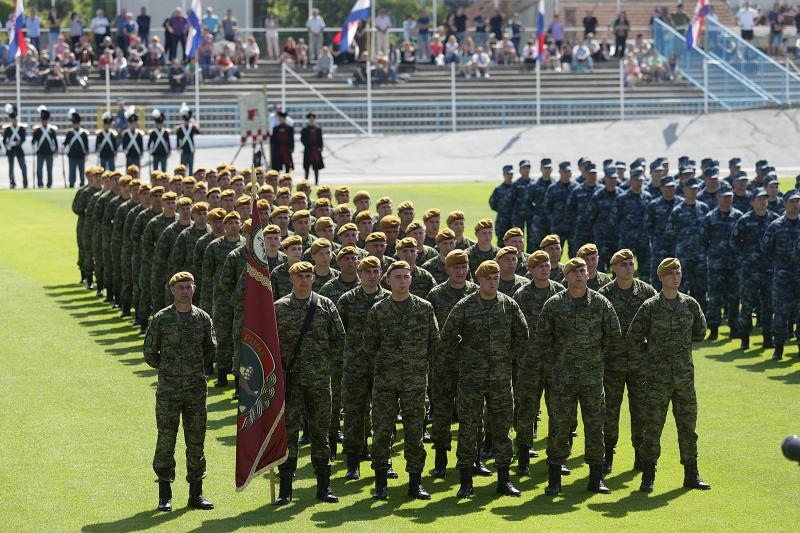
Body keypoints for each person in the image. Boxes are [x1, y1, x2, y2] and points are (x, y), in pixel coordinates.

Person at [441, 260, 527, 499]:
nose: (493, 281)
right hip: (471, 379)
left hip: (500, 378)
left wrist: (509, 358)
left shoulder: (508, 305)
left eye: (496, 277)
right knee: (469, 428)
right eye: (488, 278)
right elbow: (447, 337)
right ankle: (466, 481)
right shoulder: (465, 305)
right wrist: (463, 357)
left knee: (501, 428)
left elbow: (522, 336)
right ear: (479, 279)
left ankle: (504, 479)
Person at [536, 257, 621, 496]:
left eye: (583, 271)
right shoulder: (554, 304)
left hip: (592, 378)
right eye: (574, 272)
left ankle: (596, 477)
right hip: (562, 378)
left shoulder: (601, 304)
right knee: (559, 427)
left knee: (595, 426)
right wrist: (555, 365)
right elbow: (542, 340)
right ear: (566, 276)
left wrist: (596, 359)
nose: (580, 275)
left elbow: (613, 337)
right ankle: (554, 479)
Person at [626, 257, 711, 493]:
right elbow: (634, 337)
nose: (676, 276)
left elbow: (701, 332)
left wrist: (679, 347)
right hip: (657, 379)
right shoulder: (651, 307)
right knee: (652, 427)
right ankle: (648, 474)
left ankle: (691, 474)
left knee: (688, 428)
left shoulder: (690, 304)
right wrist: (651, 353)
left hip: (684, 377)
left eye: (678, 272)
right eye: (671, 273)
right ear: (661, 277)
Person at [362, 260, 439, 500]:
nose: (402, 280)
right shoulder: (378, 310)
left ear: (411, 279)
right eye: (397, 277)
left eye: (406, 276)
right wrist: (388, 362)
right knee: (383, 431)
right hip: (385, 381)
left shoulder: (424, 307)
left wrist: (416, 363)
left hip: (415, 382)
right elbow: (369, 345)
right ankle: (381, 483)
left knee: (415, 432)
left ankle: (415, 482)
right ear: (388, 280)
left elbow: (434, 342)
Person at [144, 271, 216, 512]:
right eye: (180, 287)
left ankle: (196, 494)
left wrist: (193, 369)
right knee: (166, 440)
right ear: (172, 290)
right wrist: (169, 369)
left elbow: (210, 349)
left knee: (196, 442)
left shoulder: (203, 318)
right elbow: (149, 353)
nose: (185, 291)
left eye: (188, 286)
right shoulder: (162, 319)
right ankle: (165, 494)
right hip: (169, 392)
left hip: (196, 391)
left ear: (194, 289)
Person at [273, 261, 344, 505]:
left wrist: (327, 368)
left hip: (319, 381)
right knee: (288, 434)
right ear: (291, 278)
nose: (304, 279)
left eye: (308, 275)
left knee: (320, 434)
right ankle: (285, 488)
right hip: (290, 382)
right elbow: (269, 345)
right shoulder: (279, 308)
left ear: (314, 278)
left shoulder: (325, 305)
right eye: (299, 275)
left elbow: (339, 340)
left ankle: (324, 486)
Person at [598, 249, 657, 474]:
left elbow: (656, 325)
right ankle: (608, 455)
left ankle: (640, 456)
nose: (628, 268)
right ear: (613, 268)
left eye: (631, 264)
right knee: (609, 412)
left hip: (639, 364)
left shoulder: (646, 291)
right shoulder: (604, 294)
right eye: (623, 265)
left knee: (641, 411)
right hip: (611, 364)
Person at [511, 251, 566, 475]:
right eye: (539, 265)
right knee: (526, 412)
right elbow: (513, 328)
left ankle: (557, 458)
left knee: (558, 412)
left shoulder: (560, 292)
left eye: (547, 265)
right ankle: (523, 457)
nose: (545, 268)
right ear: (531, 270)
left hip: (556, 363)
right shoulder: (522, 295)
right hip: (529, 363)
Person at [730, 189, 778, 350]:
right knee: (747, 305)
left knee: (768, 305)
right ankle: (745, 340)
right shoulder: (745, 221)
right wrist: (745, 257)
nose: (763, 201)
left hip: (769, 271)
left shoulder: (774, 220)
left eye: (765, 198)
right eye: (759, 199)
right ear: (752, 202)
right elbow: (734, 242)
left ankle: (767, 338)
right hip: (750, 271)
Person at [761, 189, 800, 360]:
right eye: (791, 201)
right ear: (784, 204)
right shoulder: (776, 226)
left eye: (798, 201)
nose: (795, 204)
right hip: (782, 278)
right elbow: (765, 250)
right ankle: (779, 348)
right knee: (781, 313)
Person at [701, 189, 743, 341]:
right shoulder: (710, 217)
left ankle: (734, 328)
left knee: (734, 297)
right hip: (716, 265)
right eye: (724, 197)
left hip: (734, 264)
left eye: (730, 197)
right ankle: (713, 329)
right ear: (718, 198)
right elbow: (703, 240)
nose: (727, 199)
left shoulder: (739, 216)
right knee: (715, 298)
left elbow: (742, 239)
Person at [31, 105, 58, 188]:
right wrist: (33, 140)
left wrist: (56, 149)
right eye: (43, 120)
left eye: (45, 120)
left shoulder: (51, 130)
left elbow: (55, 140)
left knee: (49, 170)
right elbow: (34, 140)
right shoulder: (38, 130)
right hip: (40, 152)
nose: (44, 122)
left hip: (49, 152)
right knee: (39, 170)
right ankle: (40, 184)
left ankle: (49, 184)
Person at [489, 165, 515, 246]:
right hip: (502, 222)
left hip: (514, 221)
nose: (510, 176)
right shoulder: (499, 189)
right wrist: (502, 210)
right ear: (504, 174)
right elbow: (492, 203)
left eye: (511, 174)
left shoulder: (516, 188)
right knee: (501, 244)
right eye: (508, 174)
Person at [62, 109, 89, 188]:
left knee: (81, 171)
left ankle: (82, 183)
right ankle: (71, 183)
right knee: (72, 171)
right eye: (74, 123)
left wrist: (87, 151)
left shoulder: (83, 133)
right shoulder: (70, 133)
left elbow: (86, 144)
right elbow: (66, 142)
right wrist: (63, 146)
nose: (76, 125)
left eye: (77, 123)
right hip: (72, 155)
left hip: (81, 155)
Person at [2, 104, 27, 189]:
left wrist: (19, 143)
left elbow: (23, 138)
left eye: (16, 119)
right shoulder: (8, 129)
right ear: (11, 120)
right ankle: (12, 183)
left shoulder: (21, 129)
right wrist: (11, 144)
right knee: (11, 168)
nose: (14, 121)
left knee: (23, 166)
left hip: (19, 149)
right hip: (11, 150)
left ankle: (25, 183)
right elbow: (5, 141)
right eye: (13, 119)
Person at [300, 113, 324, 185]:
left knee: (316, 167)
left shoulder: (318, 129)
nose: (311, 120)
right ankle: (306, 182)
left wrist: (320, 148)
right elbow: (302, 139)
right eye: (310, 119)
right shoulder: (305, 129)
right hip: (308, 150)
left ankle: (316, 182)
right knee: (307, 167)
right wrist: (308, 145)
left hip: (316, 151)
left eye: (313, 119)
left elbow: (320, 140)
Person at [175, 103, 199, 174]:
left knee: (191, 168)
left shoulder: (192, 128)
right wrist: (178, 147)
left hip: (191, 150)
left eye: (188, 121)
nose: (186, 122)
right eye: (185, 121)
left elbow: (198, 132)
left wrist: (194, 123)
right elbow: (178, 139)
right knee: (183, 168)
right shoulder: (180, 129)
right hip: (184, 150)